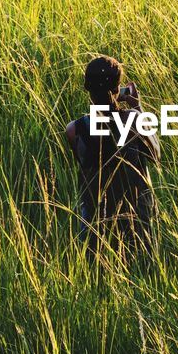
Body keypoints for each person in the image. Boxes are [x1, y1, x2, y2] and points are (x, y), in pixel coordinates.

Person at [65, 55, 159, 262]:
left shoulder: (75, 129)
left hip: (95, 214)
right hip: (135, 215)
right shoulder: (133, 121)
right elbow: (155, 153)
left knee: (97, 270)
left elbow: (83, 164)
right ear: (118, 89)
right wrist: (137, 107)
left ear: (87, 89)